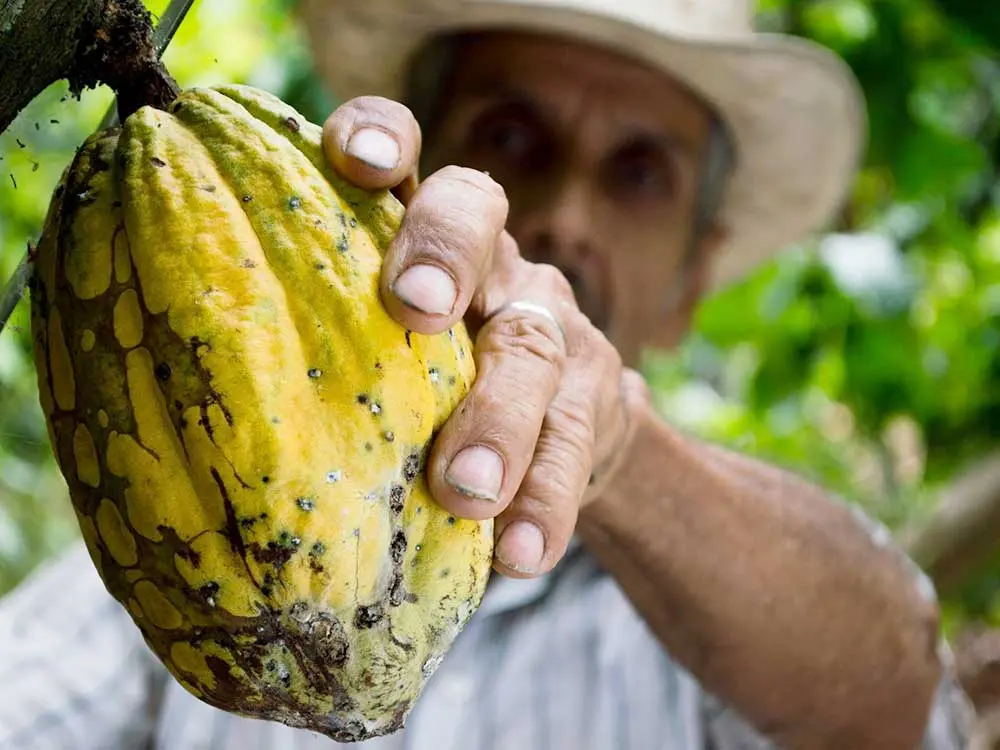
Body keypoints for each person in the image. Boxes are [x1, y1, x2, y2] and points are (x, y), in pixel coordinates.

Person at [0, 0, 978, 748]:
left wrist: (620, 450)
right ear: (399, 170)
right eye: (512, 137)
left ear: (694, 276)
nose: (564, 216)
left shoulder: (727, 623)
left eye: (639, 172)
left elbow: (896, 695)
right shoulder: (171, 519)